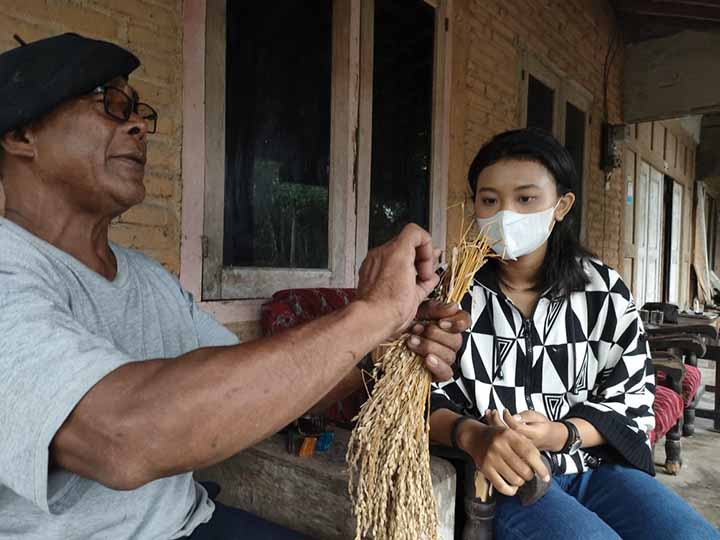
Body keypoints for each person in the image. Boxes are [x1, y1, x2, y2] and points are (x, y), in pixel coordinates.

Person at [0, 34, 470, 539]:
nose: (138, 126)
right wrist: (372, 313)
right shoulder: (11, 269)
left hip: (190, 525)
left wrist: (385, 348)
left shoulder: (147, 279)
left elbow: (265, 386)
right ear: (22, 134)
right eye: (110, 104)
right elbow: (119, 437)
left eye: (138, 110)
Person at [429, 128, 719, 539]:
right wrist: (474, 435)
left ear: (561, 205)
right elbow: (420, 398)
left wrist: (559, 433)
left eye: (526, 199)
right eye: (489, 200)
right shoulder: (454, 293)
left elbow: (633, 401)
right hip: (505, 479)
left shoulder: (602, 291)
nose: (505, 214)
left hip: (592, 468)